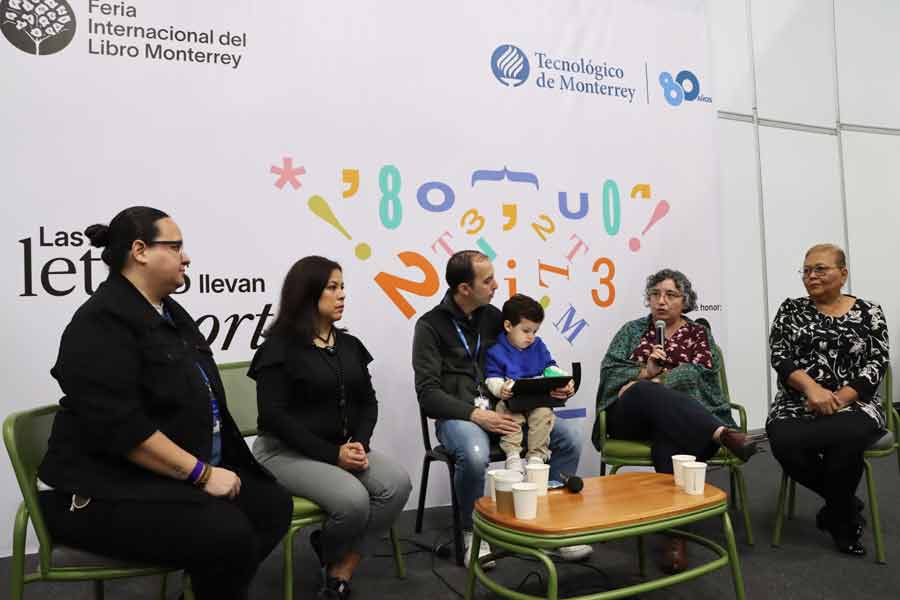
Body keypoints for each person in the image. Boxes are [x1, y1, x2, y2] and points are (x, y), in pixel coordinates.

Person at [37, 207, 292, 600]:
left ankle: (209, 587)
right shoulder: (99, 323)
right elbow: (122, 429)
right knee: (227, 532)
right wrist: (203, 476)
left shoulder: (171, 314)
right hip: (101, 492)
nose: (185, 257)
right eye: (175, 247)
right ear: (140, 250)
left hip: (161, 478)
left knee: (271, 505)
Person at [413, 250, 592, 568]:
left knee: (571, 439)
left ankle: (547, 526)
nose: (497, 285)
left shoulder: (496, 317)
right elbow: (428, 395)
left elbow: (531, 356)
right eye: (488, 280)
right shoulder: (429, 327)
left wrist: (555, 383)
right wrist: (476, 414)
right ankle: (473, 533)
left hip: (511, 408)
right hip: (461, 416)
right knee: (475, 451)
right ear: (464, 289)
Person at [249, 255, 412, 600]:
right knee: (353, 501)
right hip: (282, 452)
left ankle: (340, 562)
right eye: (332, 287)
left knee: (397, 484)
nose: (342, 295)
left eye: (343, 287)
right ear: (308, 293)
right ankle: (336, 560)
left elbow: (368, 402)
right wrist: (332, 455)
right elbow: (274, 417)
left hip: (342, 448)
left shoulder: (349, 346)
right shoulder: (278, 349)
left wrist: (360, 444)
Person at [593, 268, 757, 573]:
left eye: (670, 295)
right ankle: (721, 433)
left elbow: (703, 378)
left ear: (686, 300)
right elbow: (611, 373)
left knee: (670, 442)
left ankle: (675, 537)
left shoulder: (699, 335)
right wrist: (644, 374)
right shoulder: (631, 331)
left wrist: (660, 382)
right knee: (642, 392)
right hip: (630, 417)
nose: (661, 301)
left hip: (679, 422)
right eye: (655, 294)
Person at [766, 244, 889, 557]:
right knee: (783, 441)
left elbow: (877, 362)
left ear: (843, 273)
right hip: (797, 403)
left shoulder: (869, 311)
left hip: (855, 403)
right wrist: (812, 390)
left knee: (848, 436)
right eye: (806, 270)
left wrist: (840, 398)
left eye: (820, 269)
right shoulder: (790, 309)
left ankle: (839, 521)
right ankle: (846, 505)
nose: (812, 276)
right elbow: (780, 356)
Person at [484, 293, 561, 473]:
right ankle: (512, 456)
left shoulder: (538, 345)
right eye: (526, 331)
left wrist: (561, 377)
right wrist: (500, 389)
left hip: (536, 400)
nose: (531, 337)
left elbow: (550, 366)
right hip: (512, 401)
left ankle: (536, 457)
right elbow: (492, 378)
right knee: (506, 414)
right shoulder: (496, 350)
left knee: (544, 414)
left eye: (534, 331)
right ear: (508, 326)